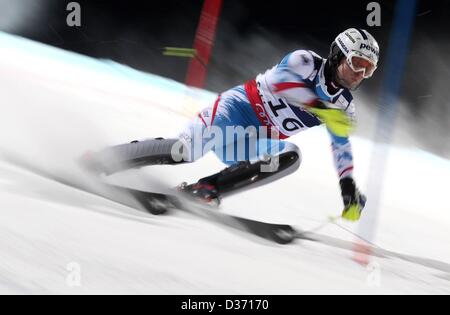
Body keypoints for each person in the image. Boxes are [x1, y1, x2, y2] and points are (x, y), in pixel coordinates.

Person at [89, 28, 379, 222]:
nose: (360, 74)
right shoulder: (305, 61)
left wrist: (348, 185)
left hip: (253, 141)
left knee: (289, 156)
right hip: (236, 112)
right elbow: (280, 84)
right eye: (356, 63)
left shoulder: (344, 107)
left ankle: (206, 189)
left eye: (368, 69)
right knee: (184, 151)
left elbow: (340, 145)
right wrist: (319, 108)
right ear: (339, 54)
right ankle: (106, 158)